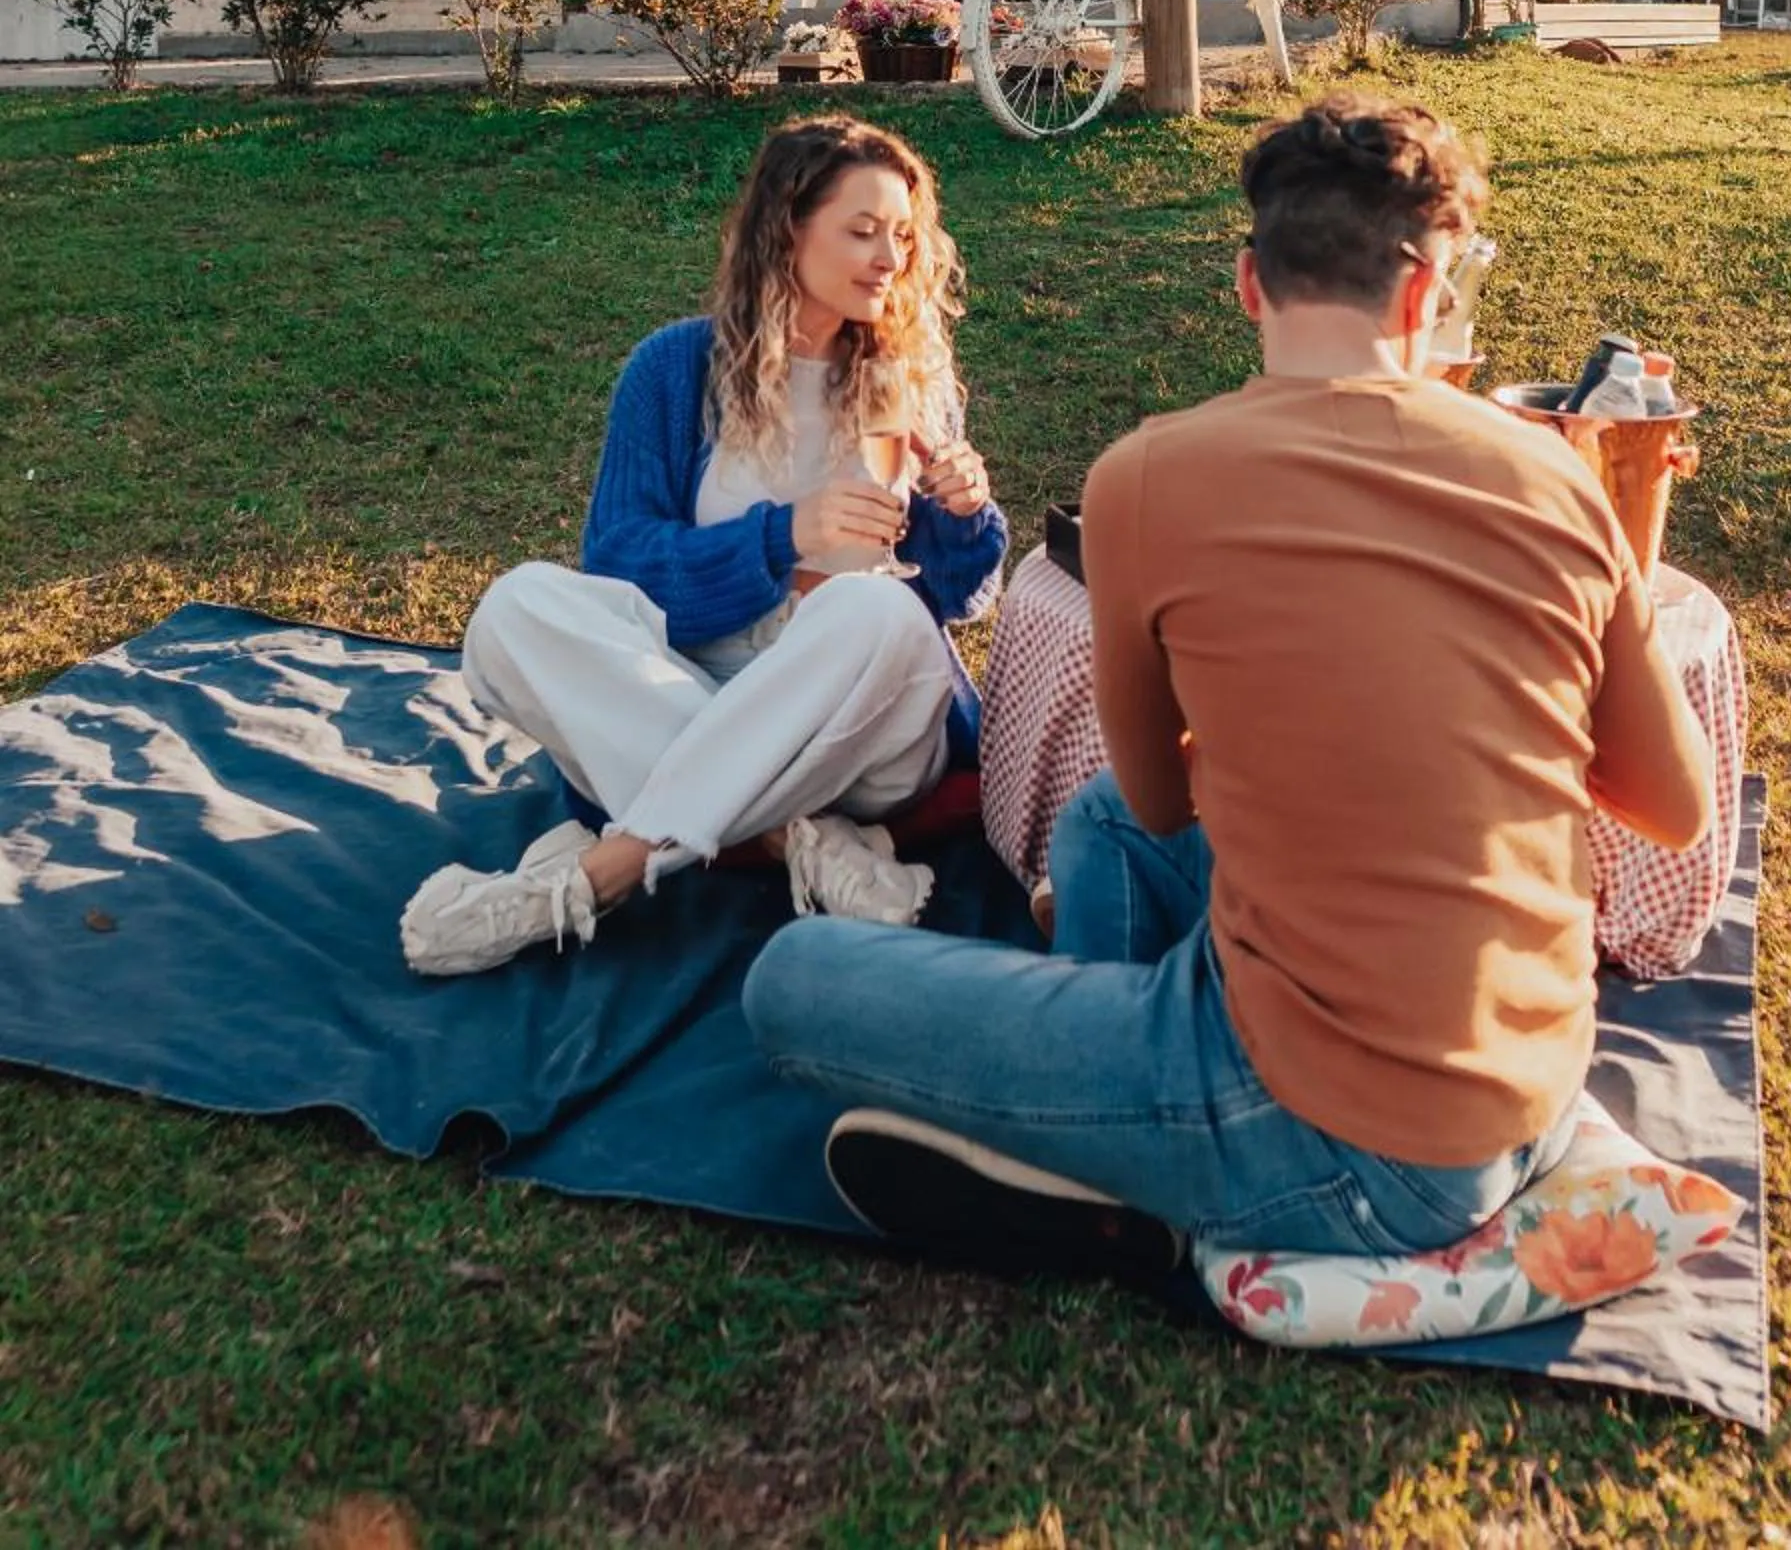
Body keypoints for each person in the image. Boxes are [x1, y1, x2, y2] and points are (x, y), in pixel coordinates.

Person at [742, 94, 1713, 1280]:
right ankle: (1100, 1117)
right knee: (1093, 824)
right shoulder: (1556, 478)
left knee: (790, 978)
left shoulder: (1153, 477)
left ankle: (1123, 1164)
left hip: (1335, 1143)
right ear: (1422, 300)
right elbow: (1673, 806)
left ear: (1248, 284)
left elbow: (1166, 793)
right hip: (1530, 1082)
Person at [401, 117, 1006, 976]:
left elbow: (952, 595)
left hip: (856, 728)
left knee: (878, 607)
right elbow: (620, 562)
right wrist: (784, 535)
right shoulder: (676, 370)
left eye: (904, 236)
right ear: (788, 228)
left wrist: (963, 511)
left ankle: (603, 872)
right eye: (863, 231)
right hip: (698, 686)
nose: (890, 258)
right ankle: (796, 838)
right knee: (516, 608)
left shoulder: (906, 377)